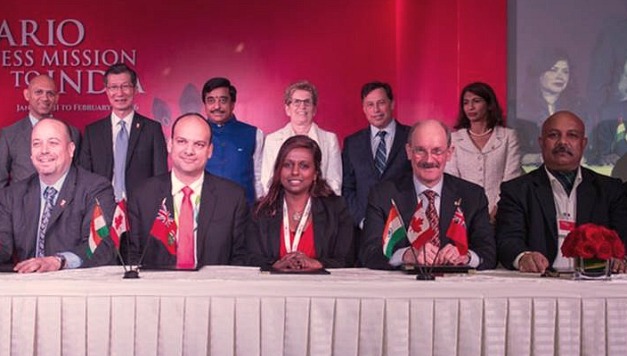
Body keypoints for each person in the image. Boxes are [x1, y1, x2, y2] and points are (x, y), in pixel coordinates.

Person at [496, 111, 627, 273]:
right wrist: (523, 256)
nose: (563, 142)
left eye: (572, 135)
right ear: (541, 142)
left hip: (594, 281)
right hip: (539, 282)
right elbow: (507, 239)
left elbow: (622, 237)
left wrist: (619, 259)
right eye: (553, 135)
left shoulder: (610, 189)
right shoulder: (517, 190)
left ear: (583, 143)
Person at [360, 120, 496, 270]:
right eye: (420, 150)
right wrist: (406, 255)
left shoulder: (472, 196)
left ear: (449, 153)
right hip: (402, 290)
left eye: (437, 151)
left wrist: (466, 256)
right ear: (408, 151)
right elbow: (369, 253)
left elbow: (489, 254)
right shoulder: (383, 194)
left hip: (458, 290)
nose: (429, 160)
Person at [127, 113, 249, 267]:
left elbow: (240, 258)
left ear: (210, 151)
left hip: (214, 288)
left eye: (199, 144)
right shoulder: (142, 195)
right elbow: (133, 255)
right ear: (170, 145)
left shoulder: (232, 197)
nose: (189, 151)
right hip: (158, 288)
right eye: (182, 141)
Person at [0, 118, 116, 273]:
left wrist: (59, 261)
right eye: (36, 144)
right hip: (25, 289)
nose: (44, 150)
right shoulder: (13, 194)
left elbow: (100, 246)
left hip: (75, 289)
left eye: (53, 143)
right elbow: (3, 247)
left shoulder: (96, 189)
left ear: (71, 149)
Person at [246, 135, 354, 270]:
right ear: (279, 171)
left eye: (304, 166)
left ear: (315, 173)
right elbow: (248, 258)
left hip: (323, 289)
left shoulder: (336, 209)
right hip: (272, 288)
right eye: (287, 165)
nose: (295, 171)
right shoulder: (261, 211)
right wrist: (274, 265)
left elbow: (348, 259)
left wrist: (318, 264)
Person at [79, 63, 168, 201]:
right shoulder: (93, 132)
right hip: (101, 209)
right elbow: (84, 177)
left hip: (141, 208)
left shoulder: (152, 129)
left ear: (135, 89)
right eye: (113, 87)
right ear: (107, 91)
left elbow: (160, 177)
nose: (120, 93)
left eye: (125, 86)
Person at [445, 82, 522, 220]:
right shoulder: (454, 139)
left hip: (502, 213)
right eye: (466, 102)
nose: (470, 107)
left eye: (476, 101)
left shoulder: (508, 137)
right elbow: (452, 180)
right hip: (463, 216)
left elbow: (511, 178)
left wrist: (497, 211)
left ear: (489, 104)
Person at [342, 81, 411, 229]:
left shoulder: (412, 137)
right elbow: (347, 187)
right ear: (364, 109)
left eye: (381, 103)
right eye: (370, 105)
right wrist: (361, 219)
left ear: (392, 104)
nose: (376, 110)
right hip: (364, 229)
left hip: (405, 225)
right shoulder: (352, 143)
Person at [261, 80, 342, 196]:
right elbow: (267, 181)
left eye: (307, 102)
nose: (302, 106)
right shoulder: (272, 140)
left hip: (320, 207)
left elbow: (335, 182)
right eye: (297, 102)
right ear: (287, 109)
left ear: (314, 109)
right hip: (282, 207)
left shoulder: (329, 140)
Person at [0, 74, 81, 187]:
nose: (45, 98)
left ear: (56, 98)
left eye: (50, 93)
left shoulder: (73, 133)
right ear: (27, 95)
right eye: (38, 92)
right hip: (21, 203)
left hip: (63, 203)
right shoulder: (8, 135)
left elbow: (78, 176)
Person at [510, 49, 585, 166]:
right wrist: (536, 158)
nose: (560, 77)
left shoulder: (579, 106)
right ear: (538, 73)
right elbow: (511, 154)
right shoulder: (519, 109)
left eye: (565, 72)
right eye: (553, 70)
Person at [202, 77, 264, 204]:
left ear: (233, 104)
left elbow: (259, 177)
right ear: (205, 105)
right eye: (211, 101)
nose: (217, 106)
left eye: (223, 100)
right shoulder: (195, 134)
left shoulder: (254, 134)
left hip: (245, 211)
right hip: (204, 210)